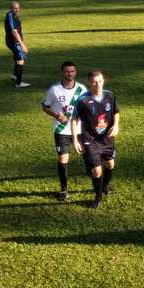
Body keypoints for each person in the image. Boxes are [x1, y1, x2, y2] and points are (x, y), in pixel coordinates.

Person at [71, 69, 120, 209]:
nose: (98, 84)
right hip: (89, 139)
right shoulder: (83, 100)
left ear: (103, 80)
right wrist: (75, 140)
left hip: (107, 139)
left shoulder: (110, 96)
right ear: (90, 83)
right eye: (94, 82)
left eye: (100, 81)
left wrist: (116, 126)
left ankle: (105, 186)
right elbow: (74, 120)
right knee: (97, 171)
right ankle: (97, 197)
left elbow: (116, 113)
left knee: (110, 164)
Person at [41, 61, 87, 202]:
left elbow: (87, 107)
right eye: (67, 71)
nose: (70, 74)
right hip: (61, 130)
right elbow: (45, 106)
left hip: (80, 129)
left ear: (76, 72)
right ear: (62, 72)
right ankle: (64, 189)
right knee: (63, 159)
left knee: (88, 155)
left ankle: (94, 176)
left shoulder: (82, 89)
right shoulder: (54, 89)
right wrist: (56, 115)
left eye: (72, 71)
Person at [4, 0, 30, 88]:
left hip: (13, 41)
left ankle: (14, 76)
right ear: (10, 8)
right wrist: (22, 45)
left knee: (18, 58)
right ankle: (18, 83)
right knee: (21, 60)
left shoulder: (13, 15)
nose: (17, 10)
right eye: (15, 8)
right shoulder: (10, 16)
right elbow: (14, 31)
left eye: (18, 8)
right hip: (14, 42)